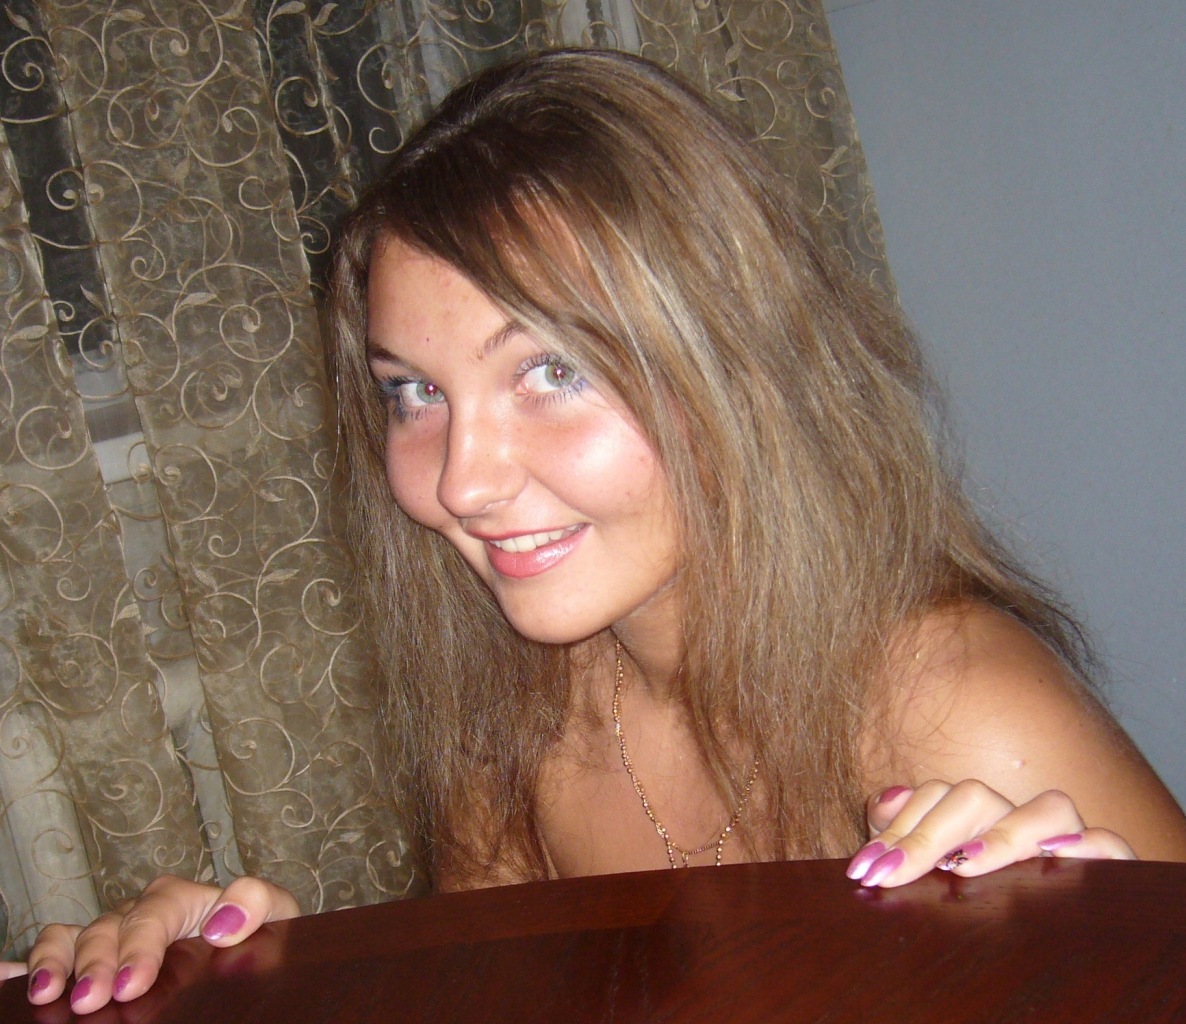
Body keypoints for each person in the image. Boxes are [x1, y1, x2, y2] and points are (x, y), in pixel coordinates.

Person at [8, 48, 1186, 1013]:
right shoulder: (524, 717)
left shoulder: (962, 716)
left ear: (743, 373)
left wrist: (1093, 979)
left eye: (552, 371)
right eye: (413, 392)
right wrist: (271, 982)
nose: (462, 480)